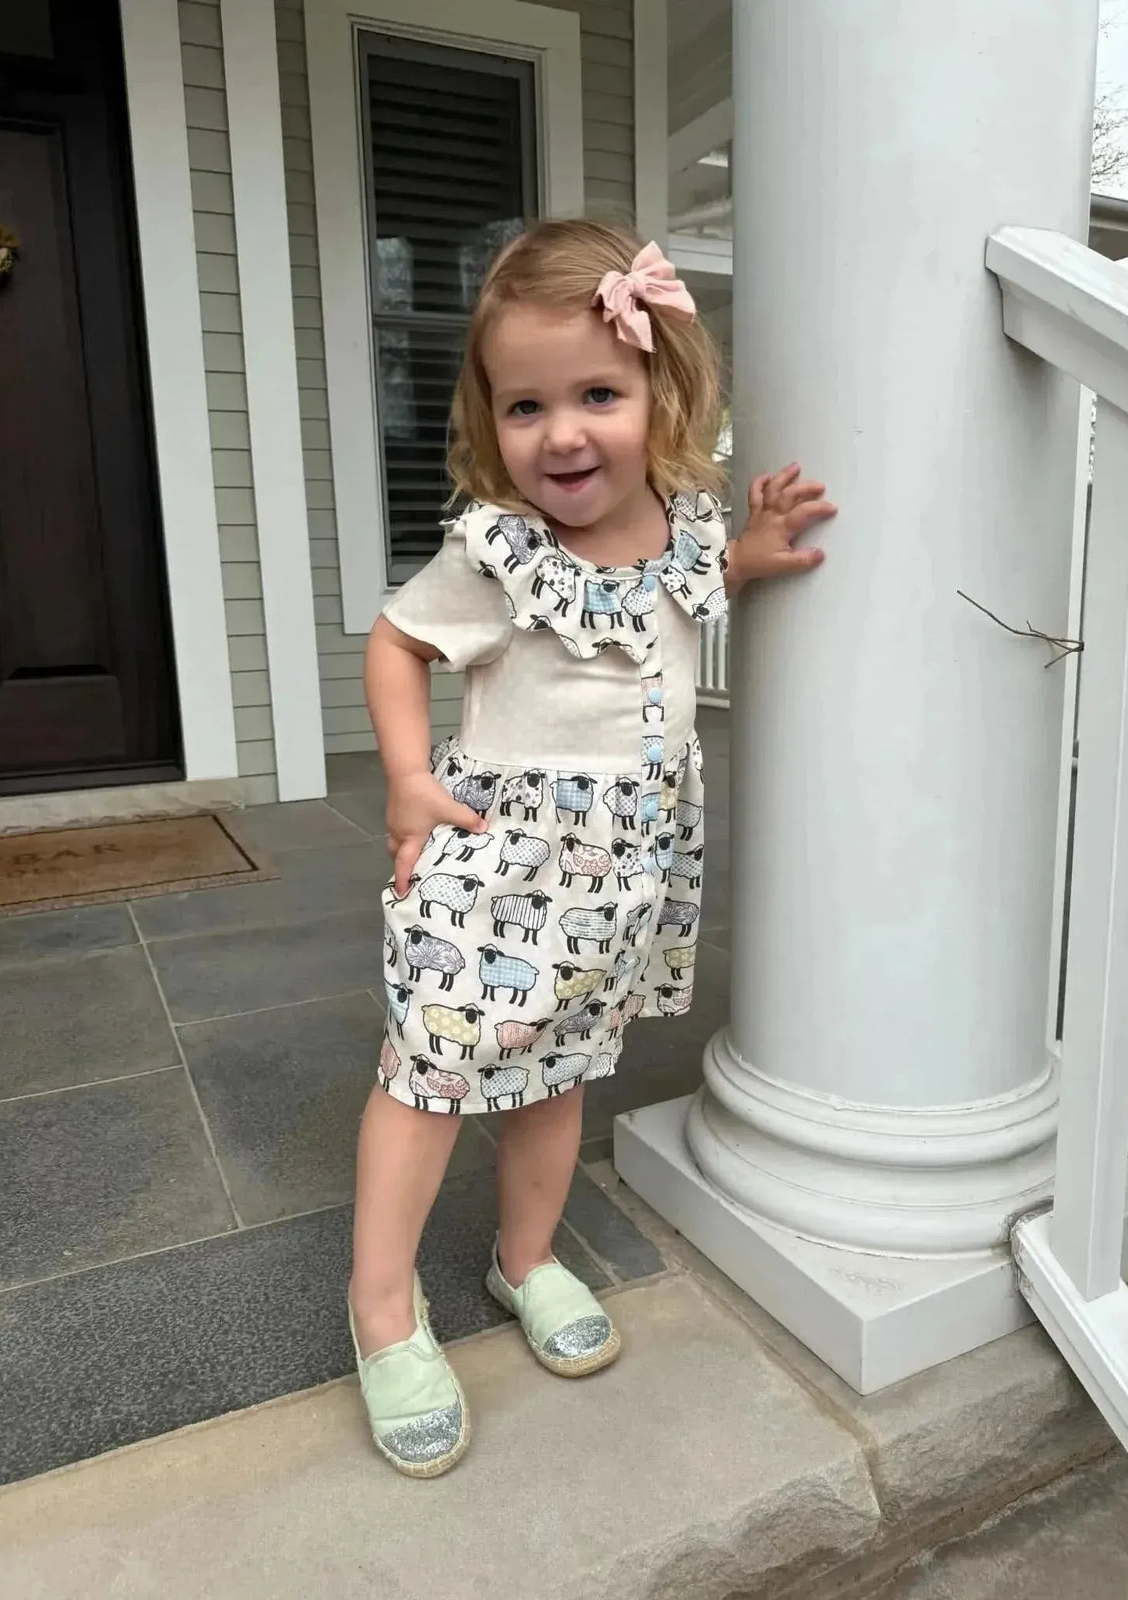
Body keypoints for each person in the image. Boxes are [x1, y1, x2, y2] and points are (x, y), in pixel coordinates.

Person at [349, 219, 836, 1477]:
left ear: (660, 391)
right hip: (499, 863)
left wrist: (751, 555)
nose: (562, 433)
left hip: (621, 870)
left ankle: (525, 1260)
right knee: (435, 1073)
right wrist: (408, 781)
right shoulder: (498, 554)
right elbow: (396, 643)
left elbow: (688, 592)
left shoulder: (680, 528)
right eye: (527, 405)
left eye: (598, 394)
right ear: (491, 421)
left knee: (563, 1071)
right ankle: (383, 1308)